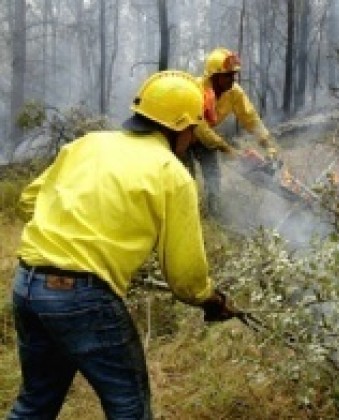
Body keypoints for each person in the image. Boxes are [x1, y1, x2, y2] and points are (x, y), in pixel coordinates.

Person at [8, 70, 235, 419]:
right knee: (129, 407)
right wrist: (211, 301)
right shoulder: (172, 173)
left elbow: (28, 202)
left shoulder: (87, 144)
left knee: (36, 403)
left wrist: (72, 232)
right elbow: (185, 276)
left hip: (27, 286)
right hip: (82, 297)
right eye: (193, 129)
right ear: (179, 127)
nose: (192, 139)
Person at [192, 46, 278, 216]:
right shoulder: (197, 90)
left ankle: (213, 214)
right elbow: (199, 127)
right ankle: (187, 215)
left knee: (213, 178)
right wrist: (226, 148)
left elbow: (250, 118)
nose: (232, 79)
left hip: (207, 138)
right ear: (214, 76)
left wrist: (268, 144)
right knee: (186, 178)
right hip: (183, 136)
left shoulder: (234, 92)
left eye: (234, 75)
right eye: (228, 76)